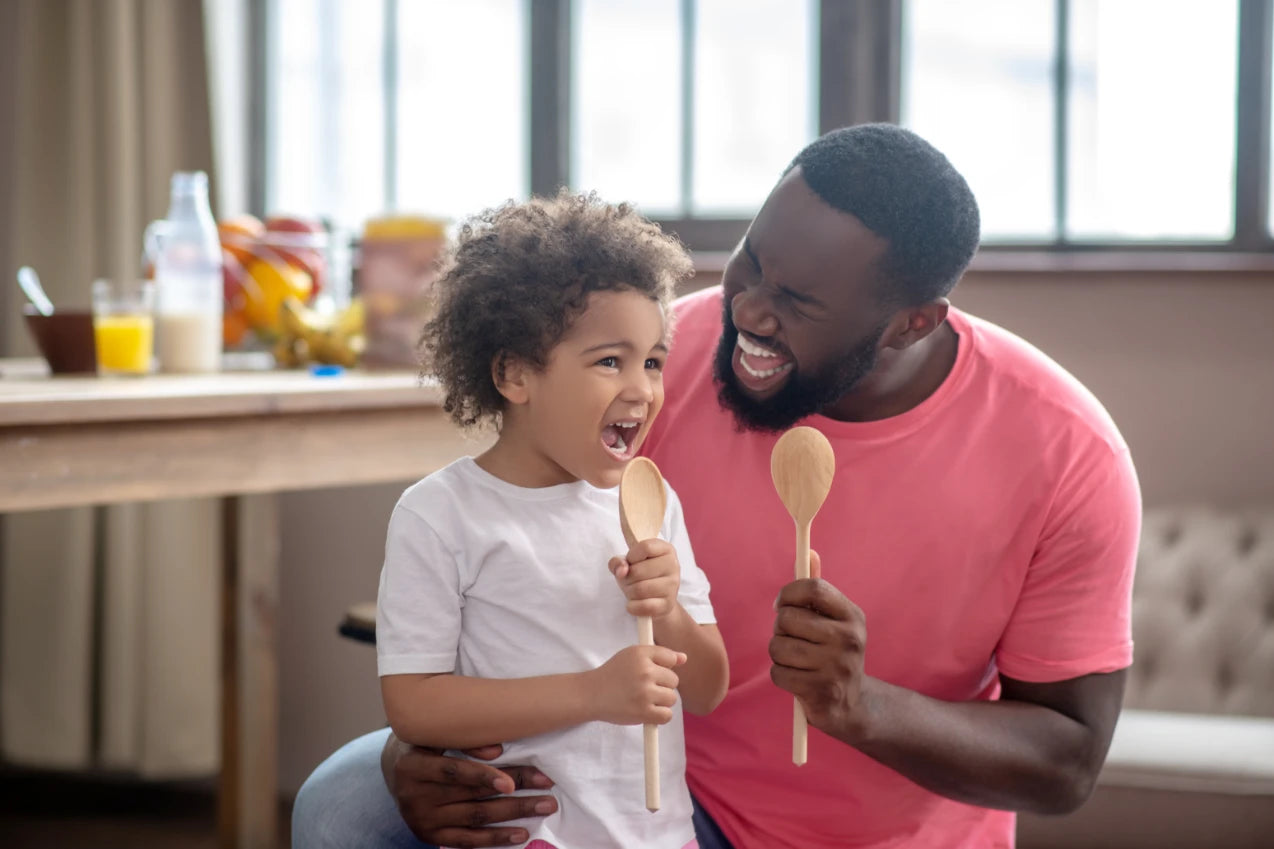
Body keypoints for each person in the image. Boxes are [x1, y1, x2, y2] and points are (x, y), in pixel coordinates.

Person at [292, 124, 1140, 849]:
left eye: (797, 301)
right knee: (346, 800)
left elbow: (1066, 761)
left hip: (877, 838)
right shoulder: (661, 362)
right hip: (653, 798)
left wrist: (863, 705)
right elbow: (513, 544)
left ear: (911, 321)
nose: (750, 312)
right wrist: (428, 752)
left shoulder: (1065, 452)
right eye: (751, 263)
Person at [371, 191, 729, 849]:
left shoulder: (651, 502)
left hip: (660, 835)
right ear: (514, 373)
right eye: (609, 361)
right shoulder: (441, 514)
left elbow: (706, 687)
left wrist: (671, 607)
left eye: (652, 361)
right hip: (529, 835)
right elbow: (414, 703)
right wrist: (593, 691)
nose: (643, 389)